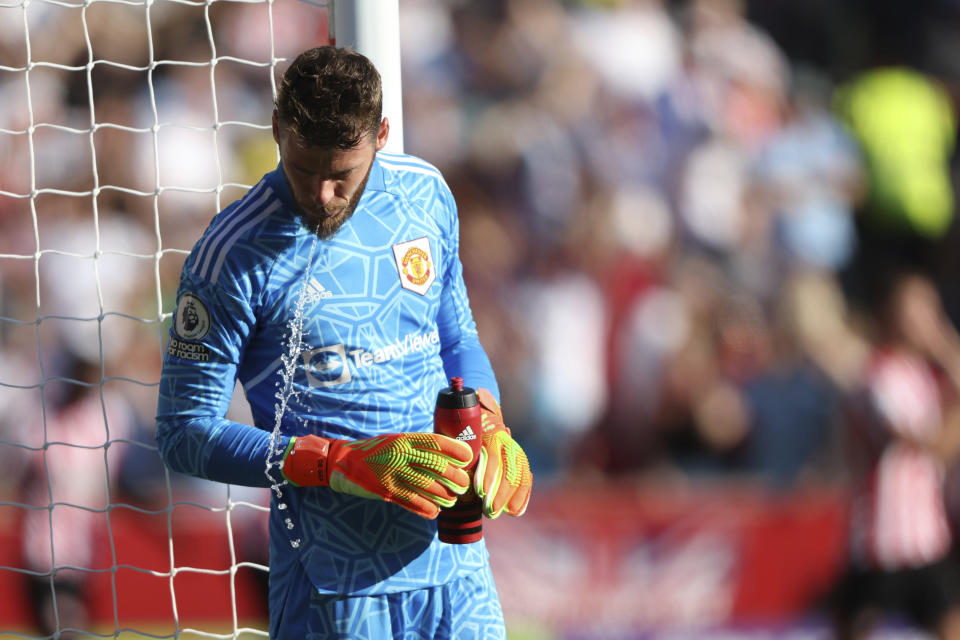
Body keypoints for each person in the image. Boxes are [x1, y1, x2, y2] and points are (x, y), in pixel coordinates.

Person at [155, 46, 532, 639]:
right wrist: (339, 463)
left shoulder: (425, 195)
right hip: (330, 583)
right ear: (277, 129)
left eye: (342, 175)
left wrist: (488, 418)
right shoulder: (230, 257)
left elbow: (457, 338)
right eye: (305, 170)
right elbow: (182, 434)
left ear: (381, 135)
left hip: (456, 567)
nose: (323, 195)